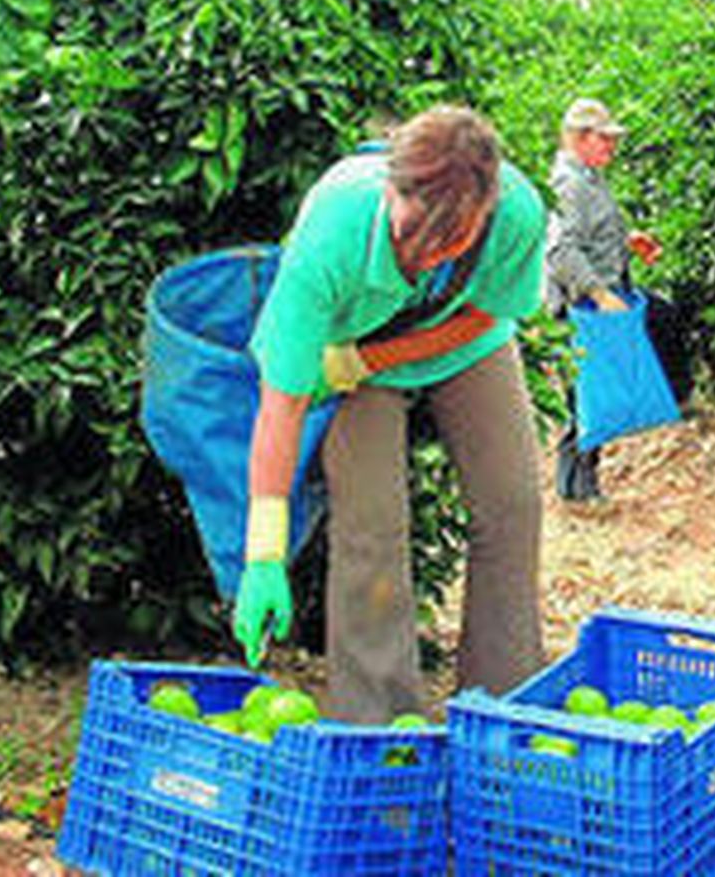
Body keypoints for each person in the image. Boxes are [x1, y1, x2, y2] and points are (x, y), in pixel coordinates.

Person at [232, 105, 547, 722]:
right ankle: (376, 729)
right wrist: (263, 555)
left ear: (485, 211)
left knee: (512, 504)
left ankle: (505, 713)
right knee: (371, 526)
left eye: (448, 243)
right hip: (344, 352)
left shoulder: (517, 215)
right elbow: (282, 405)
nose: (424, 257)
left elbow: (487, 314)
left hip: (460, 340)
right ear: (391, 187)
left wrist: (373, 359)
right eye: (409, 236)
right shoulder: (332, 230)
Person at [544, 98, 687, 503]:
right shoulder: (569, 185)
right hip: (581, 305)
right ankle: (578, 492)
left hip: (594, 301)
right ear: (579, 138)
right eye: (605, 139)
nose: (612, 146)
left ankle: (580, 487)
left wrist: (627, 242)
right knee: (588, 397)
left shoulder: (588, 177)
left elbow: (589, 237)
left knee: (595, 393)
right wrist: (600, 293)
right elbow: (561, 253)